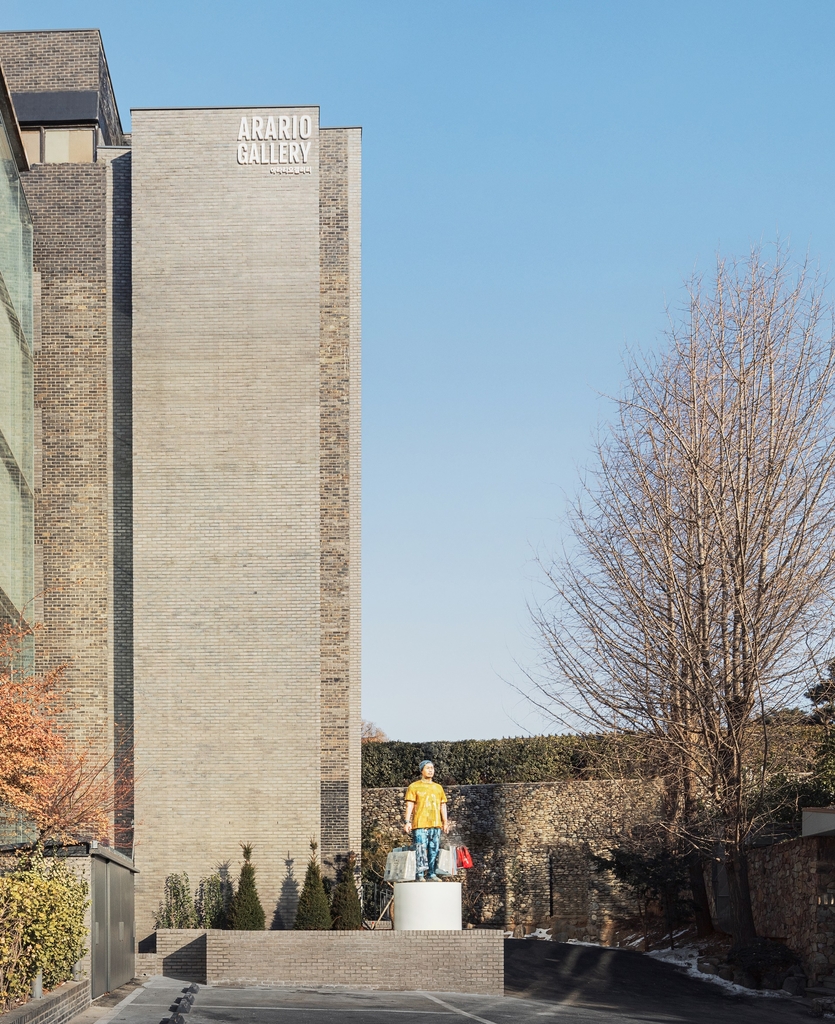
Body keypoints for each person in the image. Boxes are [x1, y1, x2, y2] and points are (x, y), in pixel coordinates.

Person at [403, 759, 450, 881]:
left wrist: (445, 822)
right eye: (428, 768)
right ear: (422, 770)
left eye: (432, 768)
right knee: (421, 848)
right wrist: (407, 821)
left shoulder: (438, 788)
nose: (430, 770)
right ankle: (420, 874)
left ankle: (432, 873)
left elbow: (442, 805)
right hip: (420, 824)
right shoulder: (414, 786)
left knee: (434, 848)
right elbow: (410, 805)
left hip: (435, 824)